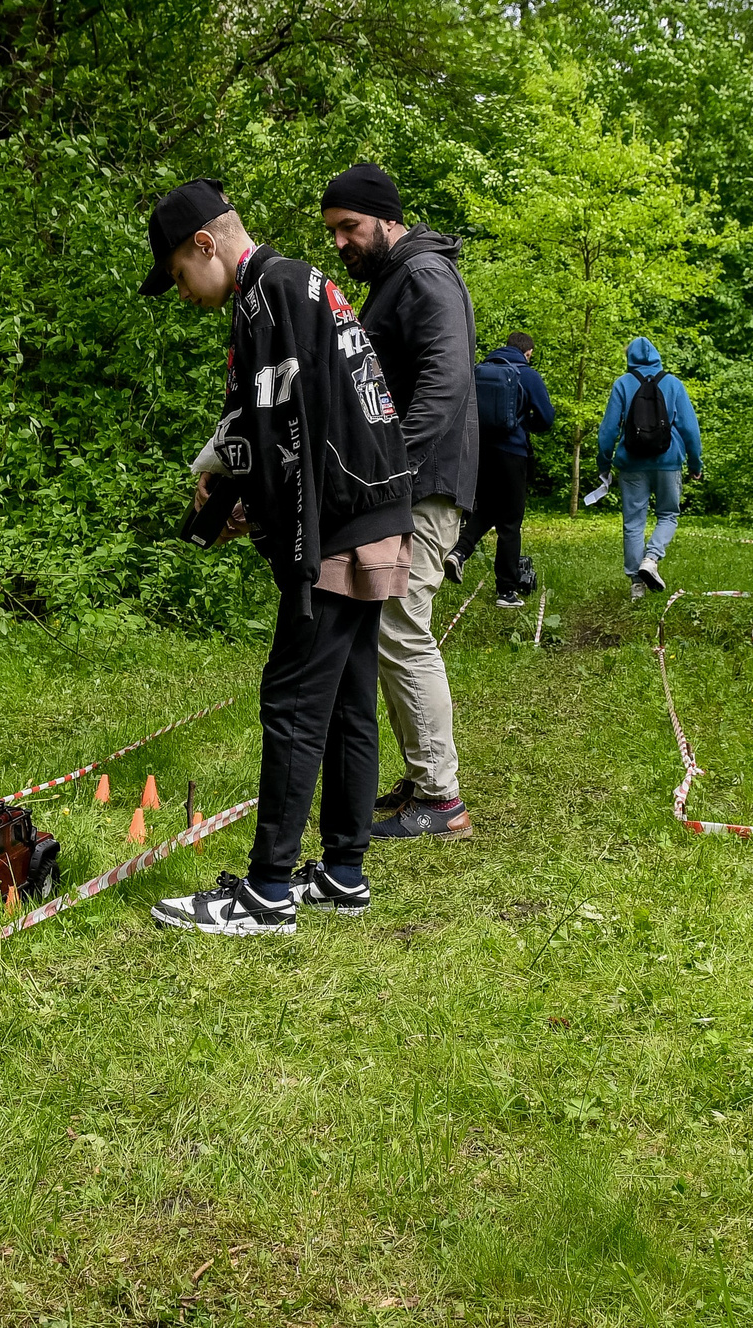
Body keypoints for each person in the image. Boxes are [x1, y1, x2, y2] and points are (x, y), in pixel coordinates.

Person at [143, 179, 417, 935]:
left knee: (294, 699)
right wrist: (240, 492)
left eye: (176, 274)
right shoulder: (308, 284)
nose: (182, 292)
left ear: (206, 244)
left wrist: (236, 505)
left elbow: (267, 426)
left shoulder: (264, 293)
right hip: (378, 508)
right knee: (349, 698)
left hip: (336, 522)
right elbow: (294, 412)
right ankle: (344, 874)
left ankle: (265, 895)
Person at [318, 163, 479, 843]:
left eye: (349, 227)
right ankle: (423, 777)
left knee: (401, 632)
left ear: (386, 217)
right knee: (392, 632)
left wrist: (388, 465)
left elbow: (445, 379)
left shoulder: (422, 276)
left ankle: (442, 801)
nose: (340, 243)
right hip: (412, 485)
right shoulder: (400, 277)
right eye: (332, 232)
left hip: (423, 486)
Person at [450, 332, 554, 608]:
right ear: (528, 352)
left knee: (486, 509)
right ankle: (506, 591)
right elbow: (547, 417)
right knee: (510, 522)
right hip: (513, 453)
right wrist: (524, 427)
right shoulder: (527, 375)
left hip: (481, 451)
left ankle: (459, 552)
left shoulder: (479, 371)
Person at [594, 336, 702, 598]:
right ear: (656, 355)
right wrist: (695, 463)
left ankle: (636, 585)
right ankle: (651, 558)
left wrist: (604, 464)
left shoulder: (623, 384)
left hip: (631, 464)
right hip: (668, 462)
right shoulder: (673, 384)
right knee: (668, 514)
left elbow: (607, 432)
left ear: (629, 357)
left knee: (633, 523)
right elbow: (690, 429)